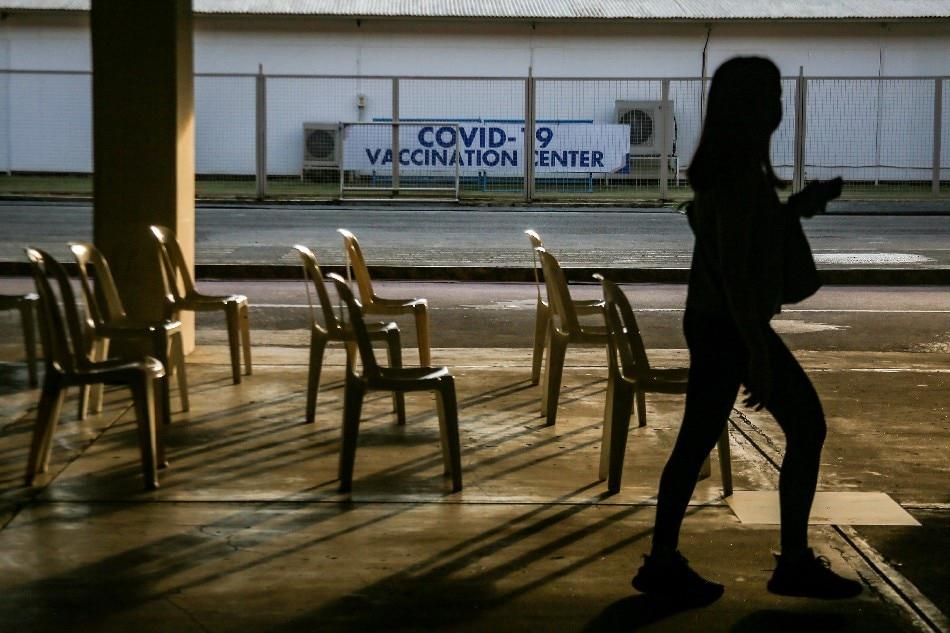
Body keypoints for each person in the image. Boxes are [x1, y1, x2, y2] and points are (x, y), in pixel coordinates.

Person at [630, 56, 862, 604]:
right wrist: (756, 349)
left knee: (697, 442)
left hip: (717, 324)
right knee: (803, 426)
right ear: (750, 108)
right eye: (772, 96)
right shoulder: (737, 179)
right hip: (729, 327)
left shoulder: (732, 172)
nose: (779, 107)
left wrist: (796, 209)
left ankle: (665, 561)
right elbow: (736, 271)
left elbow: (740, 245)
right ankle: (792, 563)